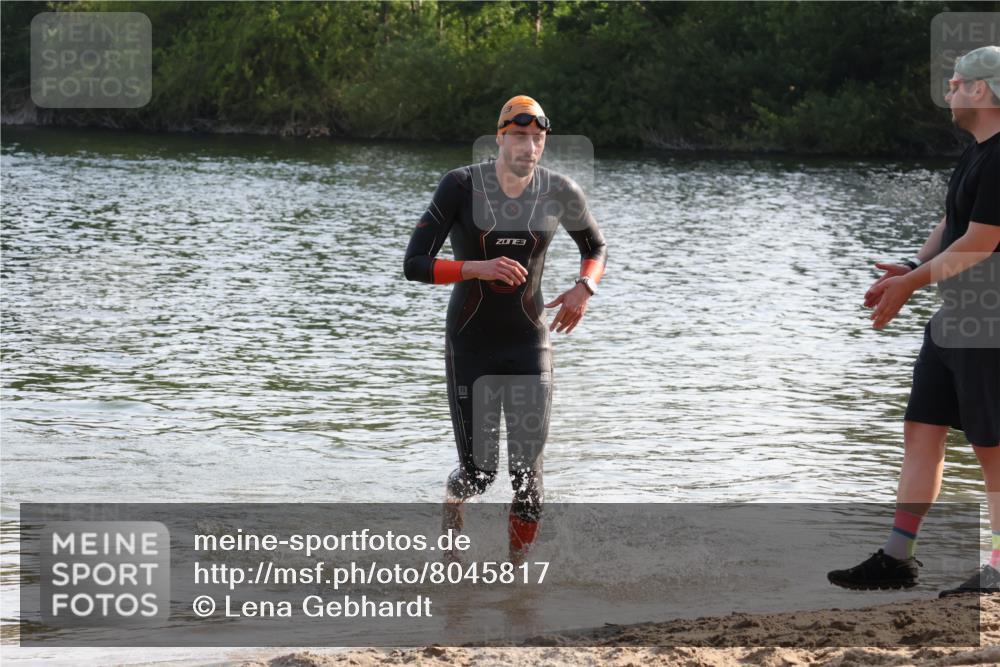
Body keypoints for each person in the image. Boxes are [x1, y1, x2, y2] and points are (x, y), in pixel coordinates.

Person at [403, 95, 607, 563]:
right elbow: (414, 264)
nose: (528, 147)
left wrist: (584, 288)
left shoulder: (560, 191)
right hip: (471, 344)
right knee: (478, 474)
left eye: (537, 138)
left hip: (529, 343)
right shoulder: (460, 186)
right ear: (499, 137)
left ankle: (516, 581)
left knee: (528, 479)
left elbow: (595, 246)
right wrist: (476, 268)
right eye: (518, 136)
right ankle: (453, 510)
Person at [828, 46, 1000, 595]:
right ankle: (897, 557)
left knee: (992, 449)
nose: (948, 91)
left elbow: (981, 242)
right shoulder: (977, 151)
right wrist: (910, 265)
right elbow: (952, 224)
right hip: (955, 320)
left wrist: (911, 285)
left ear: (980, 89)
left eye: (955, 83)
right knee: (921, 429)